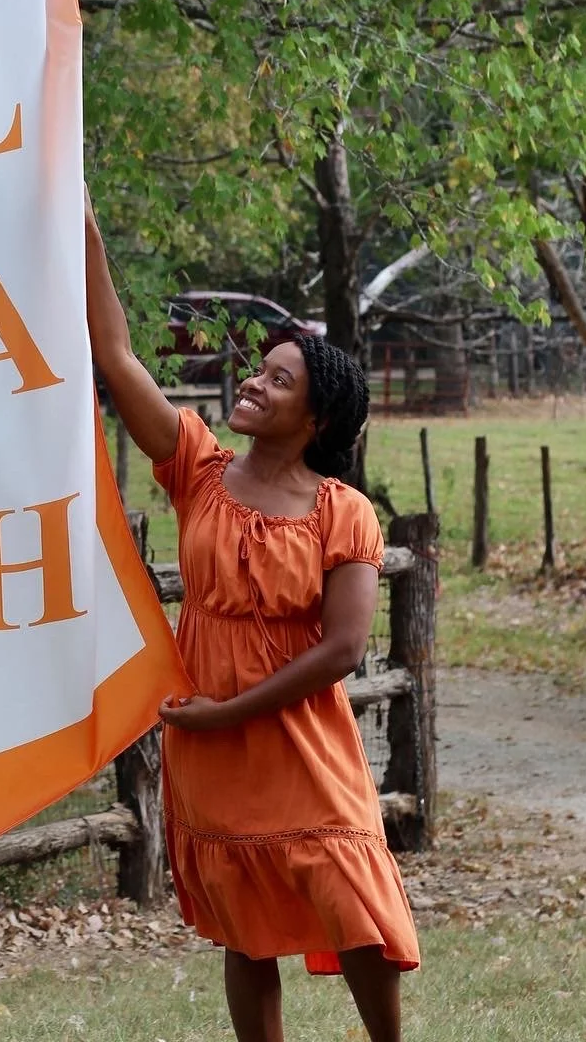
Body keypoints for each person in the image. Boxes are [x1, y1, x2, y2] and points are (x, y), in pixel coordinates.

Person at [85, 193, 418, 1042]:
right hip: (210, 735)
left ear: (316, 419)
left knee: (349, 893)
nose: (255, 384)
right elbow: (116, 355)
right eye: (259, 370)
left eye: (279, 380)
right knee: (244, 922)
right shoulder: (199, 467)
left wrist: (229, 712)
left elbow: (344, 648)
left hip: (296, 737)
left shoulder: (345, 510)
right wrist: (82, 222)